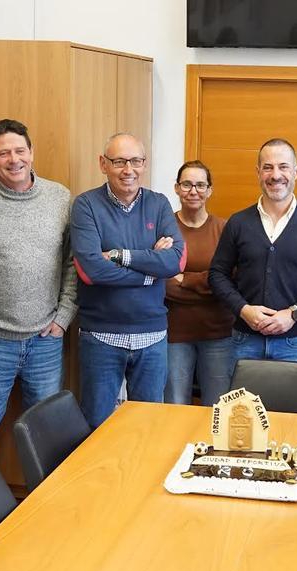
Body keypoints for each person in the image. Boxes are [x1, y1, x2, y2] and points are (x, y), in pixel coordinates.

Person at [0, 119, 76, 463]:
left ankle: (47, 509)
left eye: (20, 150)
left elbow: (73, 262)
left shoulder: (59, 197)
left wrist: (64, 318)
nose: (14, 159)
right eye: (3, 153)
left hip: (46, 341)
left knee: (50, 431)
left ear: (32, 152)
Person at [71, 133, 185, 428]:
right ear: (103, 164)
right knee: (97, 425)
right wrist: (151, 269)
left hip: (152, 336)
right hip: (101, 336)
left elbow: (174, 261)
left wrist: (122, 256)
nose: (128, 169)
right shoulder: (86, 206)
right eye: (119, 161)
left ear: (144, 164)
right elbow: (92, 269)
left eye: (135, 161)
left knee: (148, 426)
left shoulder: (159, 204)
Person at [209, 138, 297, 364]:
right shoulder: (238, 222)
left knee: (290, 401)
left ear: (296, 171)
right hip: (244, 340)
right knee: (244, 402)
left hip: (295, 343)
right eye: (268, 167)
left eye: (283, 167)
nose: (275, 175)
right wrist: (243, 310)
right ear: (258, 172)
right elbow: (217, 274)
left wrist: (294, 313)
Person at [164, 160, 234, 405]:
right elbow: (161, 282)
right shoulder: (165, 228)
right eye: (187, 184)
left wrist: (183, 279)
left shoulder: (226, 229)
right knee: (175, 406)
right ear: (176, 188)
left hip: (218, 334)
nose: (193, 191)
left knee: (219, 409)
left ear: (210, 190)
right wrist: (208, 282)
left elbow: (228, 281)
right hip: (175, 334)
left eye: (200, 185)